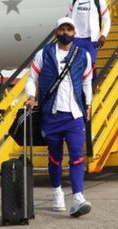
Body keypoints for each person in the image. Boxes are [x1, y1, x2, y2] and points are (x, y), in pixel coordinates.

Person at [25, 17, 93, 218]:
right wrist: (31, 96)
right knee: (54, 157)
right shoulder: (43, 54)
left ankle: (78, 198)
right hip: (51, 114)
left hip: (75, 115)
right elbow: (32, 78)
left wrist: (88, 104)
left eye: (69, 29)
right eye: (62, 29)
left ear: (74, 33)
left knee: (77, 156)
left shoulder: (83, 55)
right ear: (57, 32)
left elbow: (87, 82)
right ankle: (57, 192)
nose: (65, 32)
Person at [68, 0, 111, 70]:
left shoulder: (99, 0)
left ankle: (92, 83)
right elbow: (69, 17)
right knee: (75, 65)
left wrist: (103, 35)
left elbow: (107, 19)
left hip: (92, 39)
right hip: (76, 38)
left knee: (90, 64)